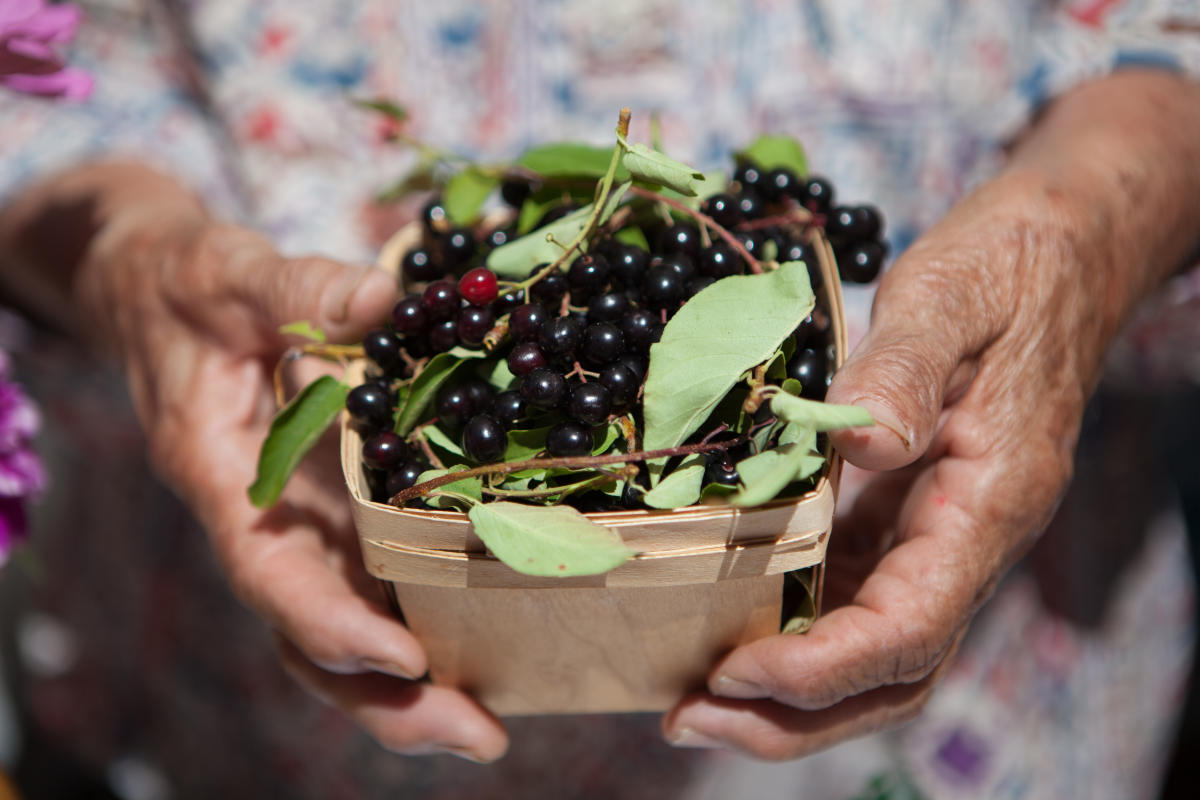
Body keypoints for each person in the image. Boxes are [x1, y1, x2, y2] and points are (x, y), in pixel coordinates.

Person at [1, 1, 1198, 797]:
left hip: (968, 716)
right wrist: (125, 257)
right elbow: (41, 60)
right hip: (230, 721)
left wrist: (1086, 227)